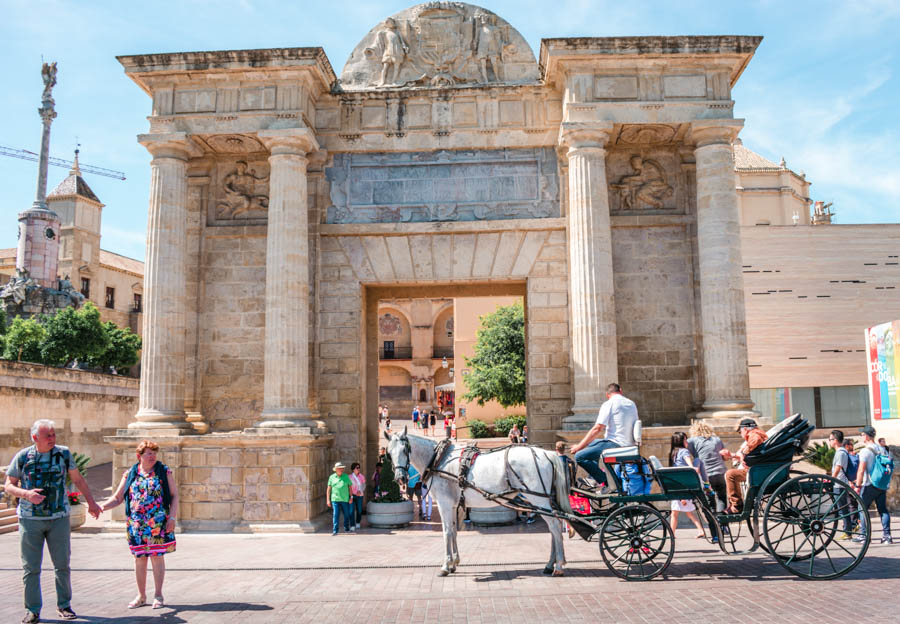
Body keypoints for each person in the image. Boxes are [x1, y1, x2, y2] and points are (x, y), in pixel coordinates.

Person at [5, 419, 102, 623]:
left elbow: (78, 479)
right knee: (30, 567)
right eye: (47, 435)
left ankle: (64, 605)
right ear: (35, 438)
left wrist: (92, 502)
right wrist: (26, 494)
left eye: (53, 434)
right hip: (30, 519)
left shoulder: (63, 454)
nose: (52, 438)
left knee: (62, 565)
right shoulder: (23, 457)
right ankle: (32, 610)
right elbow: (8, 485)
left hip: (58, 518)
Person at [100, 440, 178, 609]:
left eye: (154, 453)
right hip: (136, 525)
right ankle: (141, 596)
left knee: (157, 557)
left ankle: (158, 595)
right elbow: (118, 497)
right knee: (139, 559)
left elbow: (174, 496)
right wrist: (102, 507)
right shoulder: (130, 474)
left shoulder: (164, 472)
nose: (152, 456)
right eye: (148, 453)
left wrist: (172, 518)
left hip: (157, 524)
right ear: (139, 456)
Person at [571, 383, 639, 493]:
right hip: (628, 444)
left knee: (580, 457)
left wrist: (578, 447)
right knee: (593, 443)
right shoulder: (631, 404)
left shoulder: (609, 404)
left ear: (607, 395)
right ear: (620, 391)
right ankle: (592, 478)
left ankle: (609, 483)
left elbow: (597, 429)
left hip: (615, 444)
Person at [853, 425, 893, 544]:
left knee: (862, 509)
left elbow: (861, 470)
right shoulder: (882, 449)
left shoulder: (865, 451)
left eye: (862, 434)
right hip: (881, 484)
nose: (861, 436)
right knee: (883, 510)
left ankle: (864, 535)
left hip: (869, 484)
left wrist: (857, 486)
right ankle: (887, 536)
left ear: (866, 435)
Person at [722, 418, 768, 514]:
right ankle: (737, 504)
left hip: (757, 471)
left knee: (730, 474)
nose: (741, 434)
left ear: (745, 429)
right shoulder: (759, 433)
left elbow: (756, 440)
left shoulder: (754, 434)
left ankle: (736, 505)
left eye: (740, 431)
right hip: (759, 469)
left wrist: (744, 451)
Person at [669, 432, 705, 538]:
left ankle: (672, 534)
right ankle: (700, 530)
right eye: (685, 440)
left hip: (679, 485)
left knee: (676, 513)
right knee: (686, 512)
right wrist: (695, 468)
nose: (687, 442)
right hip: (684, 484)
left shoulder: (673, 453)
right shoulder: (684, 451)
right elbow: (690, 466)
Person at [688, 422, 728, 512]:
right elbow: (724, 456)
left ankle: (714, 522)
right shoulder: (717, 440)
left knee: (709, 498)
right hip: (720, 473)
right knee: (722, 497)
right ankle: (723, 523)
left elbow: (684, 451)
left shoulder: (692, 441)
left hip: (706, 476)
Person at [326, 462, 353, 535]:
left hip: (345, 499)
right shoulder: (331, 477)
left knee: (347, 515)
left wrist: (351, 497)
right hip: (335, 499)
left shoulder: (346, 476)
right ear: (336, 469)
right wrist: (328, 500)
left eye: (342, 468)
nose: (342, 469)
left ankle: (346, 528)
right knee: (336, 515)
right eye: (340, 468)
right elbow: (328, 489)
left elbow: (350, 487)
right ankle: (335, 530)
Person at [348, 462, 366, 531]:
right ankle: (352, 525)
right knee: (351, 511)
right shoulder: (349, 477)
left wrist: (360, 491)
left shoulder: (362, 476)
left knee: (359, 510)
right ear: (353, 469)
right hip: (352, 496)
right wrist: (351, 495)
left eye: (359, 467)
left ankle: (358, 522)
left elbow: (363, 485)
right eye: (357, 468)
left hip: (360, 496)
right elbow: (348, 486)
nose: (358, 469)